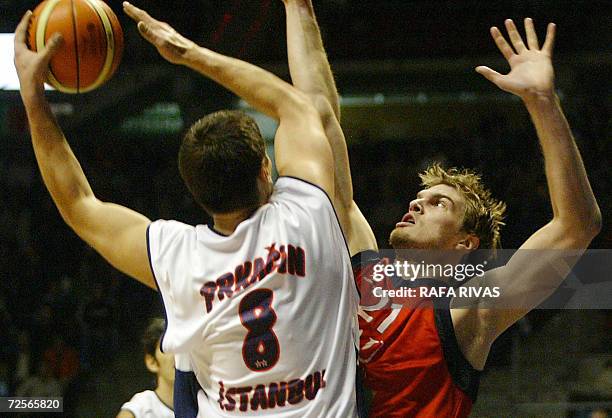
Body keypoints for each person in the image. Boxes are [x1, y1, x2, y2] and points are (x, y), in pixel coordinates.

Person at [13, 1, 359, 416]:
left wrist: (33, 97)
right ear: (266, 168)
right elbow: (298, 105)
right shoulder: (309, 214)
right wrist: (186, 52)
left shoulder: (176, 257)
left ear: (195, 193)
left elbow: (78, 204)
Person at [281, 2, 601, 417]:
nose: (417, 202)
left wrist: (542, 101)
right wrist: (298, 9)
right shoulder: (364, 267)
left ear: (465, 243)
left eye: (439, 203)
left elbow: (578, 225)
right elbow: (322, 120)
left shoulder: (468, 307)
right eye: (421, 196)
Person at [117, 318, 174, 418]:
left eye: (183, 348)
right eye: (168, 347)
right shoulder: (141, 407)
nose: (178, 355)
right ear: (152, 362)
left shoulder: (205, 402)